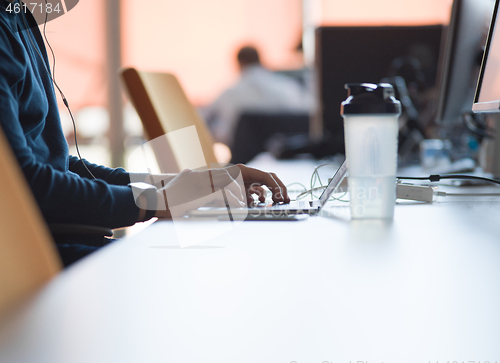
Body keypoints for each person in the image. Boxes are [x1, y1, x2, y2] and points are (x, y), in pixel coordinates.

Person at [0, 1, 289, 266]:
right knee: (224, 264)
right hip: (36, 262)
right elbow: (27, 186)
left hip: (61, 244)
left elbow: (58, 165)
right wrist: (157, 200)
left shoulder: (21, 17)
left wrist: (177, 184)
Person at [203, 45, 314, 148]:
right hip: (282, 158)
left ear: (239, 63)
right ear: (260, 59)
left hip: (243, 162)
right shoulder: (286, 87)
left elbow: (206, 121)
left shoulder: (229, 93)